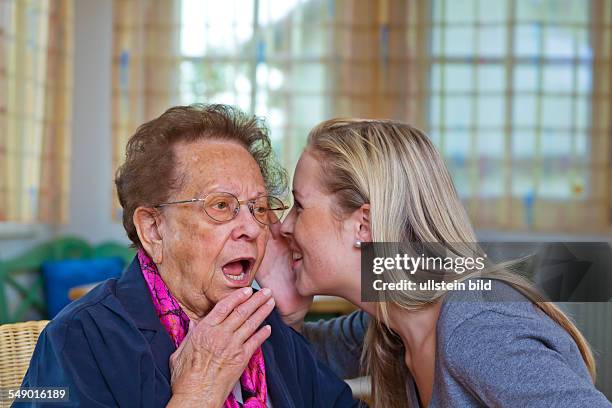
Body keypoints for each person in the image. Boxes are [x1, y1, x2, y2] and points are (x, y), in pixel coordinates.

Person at [18, 105, 359, 407]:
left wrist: (292, 320)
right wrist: (196, 395)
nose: (255, 229)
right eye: (221, 206)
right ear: (153, 229)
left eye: (258, 207)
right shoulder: (80, 337)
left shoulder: (262, 320)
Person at [257, 118, 612, 407]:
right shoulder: (392, 324)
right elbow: (311, 359)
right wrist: (288, 314)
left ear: (363, 224)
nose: (285, 226)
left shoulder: (477, 328)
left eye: (299, 206)